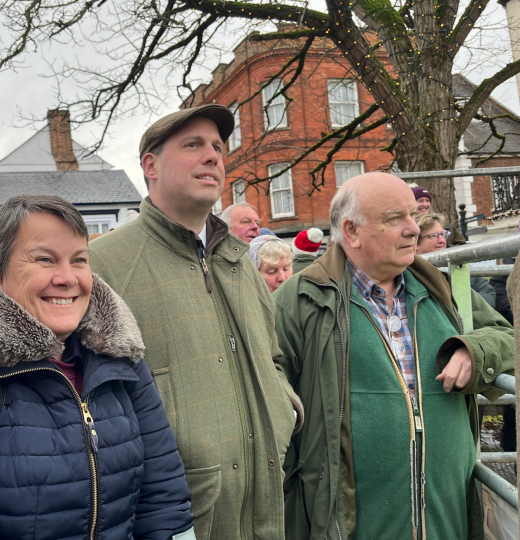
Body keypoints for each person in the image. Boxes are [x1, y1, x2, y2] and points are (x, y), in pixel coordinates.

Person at [0, 195, 195, 540]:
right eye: (45, 259)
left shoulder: (121, 360)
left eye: (79, 260)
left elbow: (164, 502)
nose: (66, 277)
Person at [90, 105, 302, 540]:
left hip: (267, 509)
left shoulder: (240, 262)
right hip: (177, 517)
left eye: (218, 148)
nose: (213, 157)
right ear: (150, 165)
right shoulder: (103, 264)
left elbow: (273, 357)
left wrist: (285, 412)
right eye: (193, 145)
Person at [273, 172, 514, 540]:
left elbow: (507, 335)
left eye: (412, 216)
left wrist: (474, 350)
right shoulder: (300, 300)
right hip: (347, 523)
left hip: (446, 518)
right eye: (394, 218)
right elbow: (270, 388)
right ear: (351, 231)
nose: (413, 229)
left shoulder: (440, 288)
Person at [415, 212, 497, 308]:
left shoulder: (456, 265)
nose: (442, 240)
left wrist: (468, 311)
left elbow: (486, 290)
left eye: (443, 234)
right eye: (434, 235)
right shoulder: (410, 274)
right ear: (416, 243)